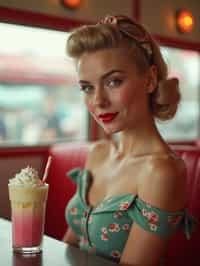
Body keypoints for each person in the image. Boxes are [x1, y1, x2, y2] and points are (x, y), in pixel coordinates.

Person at [63, 15, 195, 266]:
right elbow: (70, 247)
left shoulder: (161, 171)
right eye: (87, 87)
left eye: (113, 81)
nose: (98, 101)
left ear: (150, 79)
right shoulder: (98, 153)